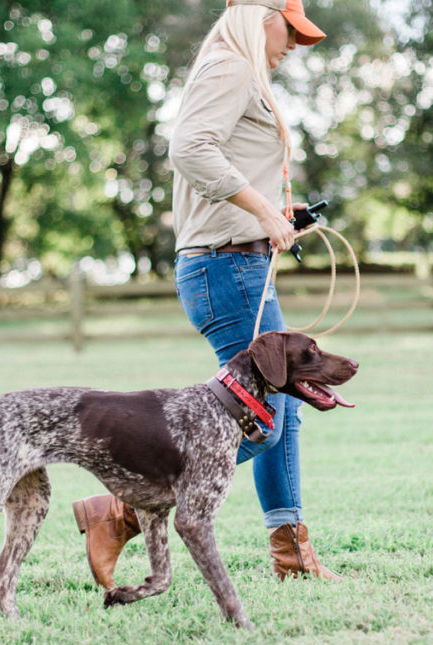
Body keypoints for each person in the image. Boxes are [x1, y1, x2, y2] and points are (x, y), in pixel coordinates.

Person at [72, 0, 336, 586]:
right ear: (261, 16)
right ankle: (120, 510)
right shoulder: (232, 64)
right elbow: (191, 149)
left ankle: (292, 556)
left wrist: (275, 211)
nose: (294, 43)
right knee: (262, 420)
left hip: (236, 264)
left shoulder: (234, 68)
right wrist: (262, 211)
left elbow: (221, 164)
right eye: (290, 29)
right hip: (227, 269)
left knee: (281, 411)